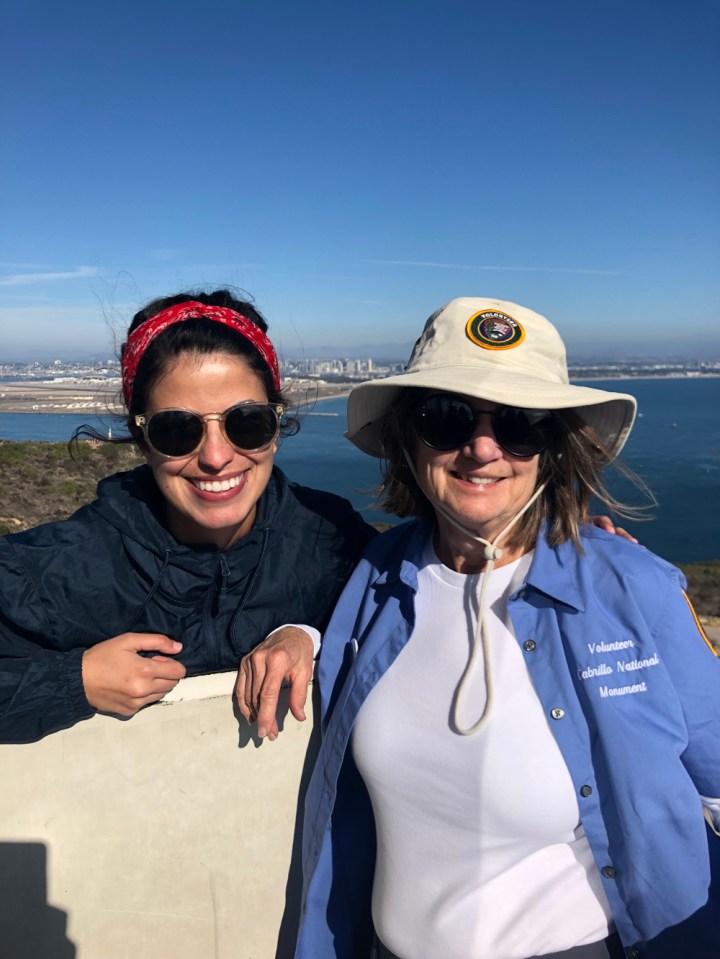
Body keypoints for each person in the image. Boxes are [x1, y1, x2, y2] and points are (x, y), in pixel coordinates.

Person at [295, 298, 720, 958]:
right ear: (408, 439)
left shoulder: (636, 590)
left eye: (521, 424)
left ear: (554, 447)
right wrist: (293, 631)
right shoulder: (373, 578)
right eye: (447, 418)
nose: (483, 448)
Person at [0, 290, 375, 743]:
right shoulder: (60, 569)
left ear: (276, 429)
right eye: (177, 430)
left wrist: (306, 636)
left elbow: (409, 619)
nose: (216, 457)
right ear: (141, 440)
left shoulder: (331, 537)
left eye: (247, 423)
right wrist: (74, 680)